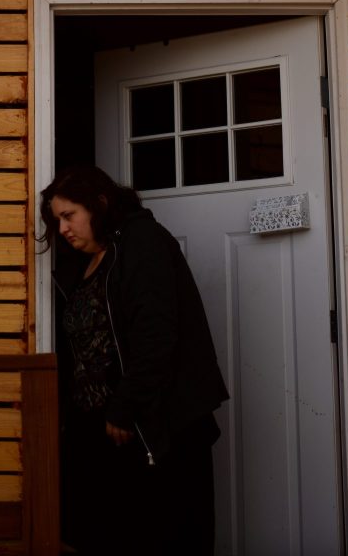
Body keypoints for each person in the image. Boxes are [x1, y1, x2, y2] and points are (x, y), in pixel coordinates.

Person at [42, 165, 228, 556]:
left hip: (154, 425)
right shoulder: (78, 266)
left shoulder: (142, 242)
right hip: (102, 431)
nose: (62, 229)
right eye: (56, 220)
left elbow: (156, 335)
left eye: (68, 216)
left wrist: (126, 407)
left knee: (162, 536)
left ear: (99, 203)